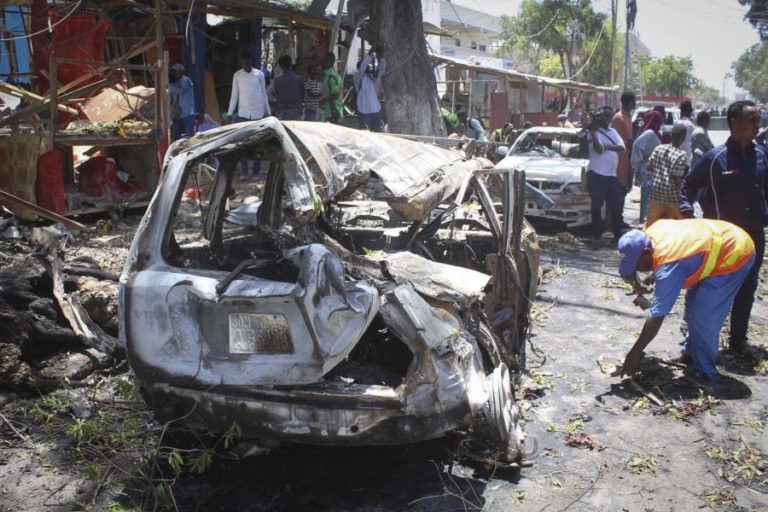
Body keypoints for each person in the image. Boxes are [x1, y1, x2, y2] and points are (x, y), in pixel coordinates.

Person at [680, 100, 768, 357]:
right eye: (752, 120)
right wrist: (688, 214)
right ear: (734, 123)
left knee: (747, 287)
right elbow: (688, 185)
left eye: (758, 119)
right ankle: (696, 343)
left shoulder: (762, 156)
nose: (757, 124)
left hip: (753, 236)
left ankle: (738, 342)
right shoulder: (715, 157)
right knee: (710, 289)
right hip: (722, 239)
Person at [617, 219, 755, 379]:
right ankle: (691, 354)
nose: (637, 269)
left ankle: (704, 371)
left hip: (735, 252)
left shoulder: (669, 267)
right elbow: (671, 256)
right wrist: (645, 279)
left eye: (637, 265)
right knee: (691, 304)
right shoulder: (651, 233)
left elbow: (657, 316)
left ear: (647, 252)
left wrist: (634, 353)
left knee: (704, 315)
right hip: (714, 244)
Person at [586, 108, 626, 244]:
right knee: (597, 207)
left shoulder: (612, 132)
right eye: (604, 117)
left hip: (611, 175)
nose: (607, 119)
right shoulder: (593, 132)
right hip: (596, 174)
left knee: (616, 205)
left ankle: (618, 235)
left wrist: (608, 147)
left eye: (609, 117)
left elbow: (622, 147)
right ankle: (597, 235)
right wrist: (592, 132)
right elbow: (598, 149)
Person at [645, 122, 689, 227]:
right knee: (673, 225)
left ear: (670, 135)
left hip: (656, 191)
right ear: (683, 139)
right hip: (671, 195)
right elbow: (676, 178)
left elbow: (649, 166)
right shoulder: (681, 155)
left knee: (652, 223)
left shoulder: (659, 148)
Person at [631, 109, 663, 225]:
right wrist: (642, 158)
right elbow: (637, 145)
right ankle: (643, 222)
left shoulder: (655, 133)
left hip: (653, 171)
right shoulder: (649, 133)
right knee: (646, 198)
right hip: (647, 170)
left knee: (651, 198)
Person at [611, 92, 636, 228]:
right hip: (619, 161)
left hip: (627, 159)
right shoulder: (618, 118)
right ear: (629, 102)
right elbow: (620, 142)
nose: (635, 103)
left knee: (624, 190)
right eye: (634, 101)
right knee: (618, 192)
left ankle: (618, 220)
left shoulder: (628, 117)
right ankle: (615, 222)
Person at [227, 54, 271, 123]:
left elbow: (263, 93)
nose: (246, 66)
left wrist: (268, 112)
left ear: (251, 62)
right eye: (244, 64)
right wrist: (229, 113)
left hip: (258, 113)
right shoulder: (237, 75)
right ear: (241, 63)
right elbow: (234, 96)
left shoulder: (259, 74)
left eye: (248, 63)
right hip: (243, 113)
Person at [353, 47, 387, 132]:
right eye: (367, 66)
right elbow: (362, 69)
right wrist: (369, 55)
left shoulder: (372, 78)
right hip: (364, 112)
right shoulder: (358, 78)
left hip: (376, 111)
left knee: (377, 135)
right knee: (365, 136)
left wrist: (381, 56)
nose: (368, 67)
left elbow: (382, 70)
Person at [270, 55, 304, 121]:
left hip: (282, 113)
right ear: (291, 64)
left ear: (280, 66)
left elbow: (277, 95)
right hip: (296, 112)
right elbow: (302, 95)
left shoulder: (277, 80)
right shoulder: (300, 79)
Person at [169, 63, 196, 140]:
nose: (174, 74)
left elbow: (180, 91)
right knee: (176, 137)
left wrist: (170, 85)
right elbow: (170, 97)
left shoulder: (186, 80)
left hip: (188, 114)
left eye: (175, 72)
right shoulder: (173, 83)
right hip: (177, 115)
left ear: (181, 72)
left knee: (190, 138)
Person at [321, 51, 343, 124]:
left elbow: (335, 94)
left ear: (331, 62)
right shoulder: (329, 74)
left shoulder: (331, 76)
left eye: (325, 60)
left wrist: (323, 101)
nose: (322, 62)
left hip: (333, 113)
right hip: (331, 112)